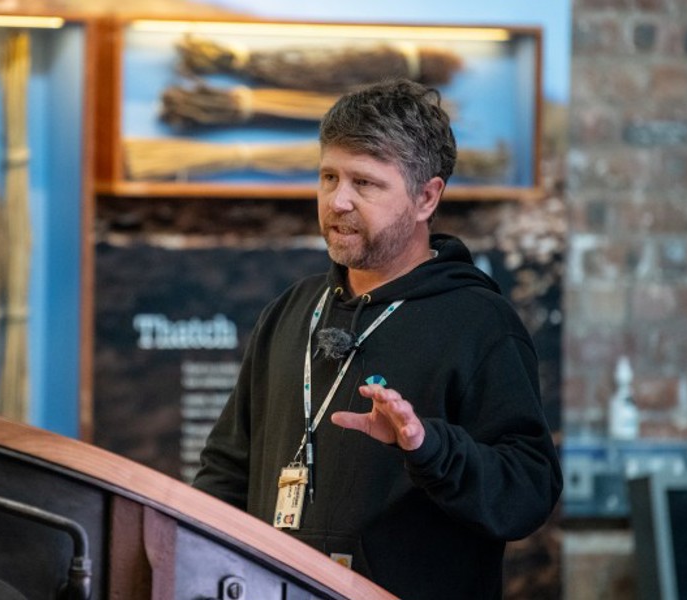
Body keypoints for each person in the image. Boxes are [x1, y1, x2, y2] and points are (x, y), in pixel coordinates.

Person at [192, 78, 562, 600]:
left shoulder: (481, 323)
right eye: (328, 177)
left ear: (426, 198)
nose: (337, 200)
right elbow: (227, 469)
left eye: (364, 183)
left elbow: (529, 491)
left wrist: (429, 447)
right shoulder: (291, 311)